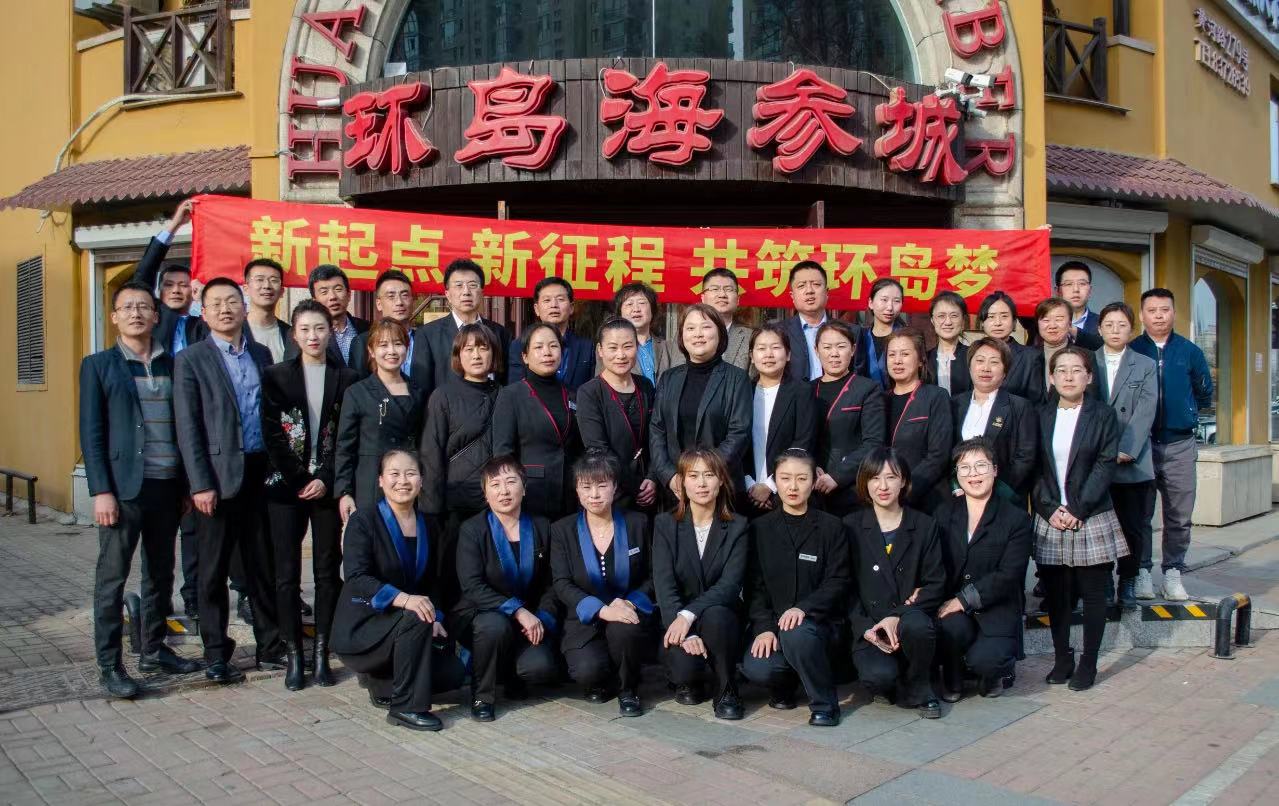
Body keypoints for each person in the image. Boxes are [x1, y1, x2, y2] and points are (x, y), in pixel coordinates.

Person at [81, 281, 202, 698]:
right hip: (122, 490)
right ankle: (110, 665)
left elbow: (185, 426)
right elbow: (92, 433)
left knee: (160, 573)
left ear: (155, 315)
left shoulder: (174, 364)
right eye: (127, 307)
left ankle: (153, 649)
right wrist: (101, 490)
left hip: (166, 486)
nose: (136, 313)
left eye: (143, 307)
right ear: (114, 316)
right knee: (112, 578)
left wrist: (185, 485)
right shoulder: (99, 366)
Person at [174, 277, 283, 683]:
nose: (225, 309)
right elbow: (188, 427)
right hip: (217, 480)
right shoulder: (191, 359)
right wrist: (200, 483)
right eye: (216, 303)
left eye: (232, 301)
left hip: (258, 472)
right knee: (213, 569)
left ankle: (270, 647)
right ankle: (216, 653)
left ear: (244, 307)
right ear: (204, 313)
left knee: (261, 565)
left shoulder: (260, 353)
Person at [331, 450, 465, 732]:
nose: (403, 481)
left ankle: (381, 682)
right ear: (380, 480)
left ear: (421, 481)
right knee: (416, 615)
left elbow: (432, 582)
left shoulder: (430, 525)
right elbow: (356, 577)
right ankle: (405, 707)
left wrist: (436, 617)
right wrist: (405, 600)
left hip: (406, 626)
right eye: (394, 474)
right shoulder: (364, 520)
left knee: (453, 674)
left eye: (410, 473)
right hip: (364, 627)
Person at [261, 300, 358, 690]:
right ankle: (293, 656)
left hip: (327, 488)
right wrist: (301, 477)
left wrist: (325, 478)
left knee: (326, 572)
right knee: (286, 574)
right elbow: (272, 433)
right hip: (286, 487)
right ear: (294, 334)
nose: (313, 336)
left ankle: (322, 654)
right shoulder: (276, 376)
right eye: (305, 329)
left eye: (320, 328)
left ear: (330, 332)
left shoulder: (346, 378)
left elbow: (347, 435)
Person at [1033, 346, 1127, 692]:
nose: (1069, 377)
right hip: (1051, 516)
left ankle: (1089, 662)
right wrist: (1048, 508)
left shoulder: (1102, 415)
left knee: (1093, 594)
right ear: (1052, 377)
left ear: (1089, 377)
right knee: (1057, 595)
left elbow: (1105, 464)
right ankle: (1062, 658)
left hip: (1090, 515)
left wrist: (1077, 509)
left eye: (1076, 370)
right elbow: (1033, 467)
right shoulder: (1040, 415)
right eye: (1061, 370)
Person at [131, 199, 205, 621]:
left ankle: (193, 597)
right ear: (158, 293)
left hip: (192, 443)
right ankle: (155, 610)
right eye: (170, 284)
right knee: (159, 535)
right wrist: (173, 226)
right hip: (157, 444)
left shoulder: (200, 326)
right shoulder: (152, 326)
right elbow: (141, 275)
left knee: (194, 528)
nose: (178, 290)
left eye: (185, 285)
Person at [741, 449, 849, 726]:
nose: (793, 486)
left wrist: (804, 609)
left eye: (801, 479)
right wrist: (764, 628)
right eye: (785, 478)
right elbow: (754, 586)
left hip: (820, 626)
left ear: (814, 481)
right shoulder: (760, 529)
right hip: (776, 626)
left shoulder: (832, 527)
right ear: (775, 480)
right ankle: (785, 686)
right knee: (759, 667)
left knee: (797, 633)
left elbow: (838, 580)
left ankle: (825, 705)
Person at [453, 457, 561, 721]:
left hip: (530, 620)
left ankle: (512, 676)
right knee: (494, 626)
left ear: (524, 488)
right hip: (483, 616)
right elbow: (472, 586)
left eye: (511, 482)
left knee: (540, 667)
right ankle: (482, 695)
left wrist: (542, 618)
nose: (504, 491)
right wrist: (518, 611)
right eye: (495, 484)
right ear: (485, 493)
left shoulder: (542, 526)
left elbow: (552, 583)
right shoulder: (472, 530)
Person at [550, 452, 654, 716]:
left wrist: (629, 602)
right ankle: (603, 679)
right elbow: (561, 583)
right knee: (588, 671)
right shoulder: (562, 530)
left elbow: (653, 575)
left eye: (602, 485)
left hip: (627, 610)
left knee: (625, 631)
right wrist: (601, 609)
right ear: (576, 490)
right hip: (583, 619)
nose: (594, 494)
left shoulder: (637, 523)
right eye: (586, 487)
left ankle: (628, 690)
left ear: (615, 487)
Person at [845, 448, 946, 718]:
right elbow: (845, 587)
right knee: (878, 678)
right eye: (875, 478)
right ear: (864, 483)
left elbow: (936, 583)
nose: (883, 486)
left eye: (891, 477)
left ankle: (922, 687)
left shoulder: (924, 525)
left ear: (904, 482)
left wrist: (897, 615)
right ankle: (894, 679)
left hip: (911, 620)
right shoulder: (850, 527)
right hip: (871, 625)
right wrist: (865, 628)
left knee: (918, 626)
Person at [934, 438, 1033, 702]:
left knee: (987, 661)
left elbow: (1009, 574)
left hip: (996, 608)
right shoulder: (943, 514)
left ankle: (992, 674)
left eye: (980, 465)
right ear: (957, 474)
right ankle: (953, 676)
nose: (973, 474)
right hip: (954, 610)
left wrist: (963, 599)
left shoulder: (1016, 518)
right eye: (964, 467)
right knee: (948, 627)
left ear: (995, 470)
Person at [653, 449, 749, 719]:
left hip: (721, 619)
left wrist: (689, 614)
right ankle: (695, 678)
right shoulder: (665, 524)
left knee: (717, 614)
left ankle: (727, 689)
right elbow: (664, 585)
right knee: (685, 671)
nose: (702, 483)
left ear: (722, 480)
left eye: (709, 475)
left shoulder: (739, 526)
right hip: (679, 621)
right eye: (693, 476)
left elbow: (730, 585)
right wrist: (685, 627)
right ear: (682, 482)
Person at [1130, 288, 1213, 602]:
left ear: (1174, 313)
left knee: (1179, 514)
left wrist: (1186, 414)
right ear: (1142, 315)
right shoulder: (1134, 350)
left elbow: (1204, 392)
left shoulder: (1189, 351)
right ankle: (1141, 572)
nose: (1159, 316)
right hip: (1142, 445)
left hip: (1179, 444)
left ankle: (1173, 572)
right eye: (1152, 310)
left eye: (1164, 310)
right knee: (1141, 514)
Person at [419, 323, 504, 610]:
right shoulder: (443, 396)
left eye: (483, 348)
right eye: (468, 349)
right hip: (455, 501)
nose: (476, 355)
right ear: (458, 355)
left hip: (496, 500)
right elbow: (431, 452)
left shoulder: (505, 394)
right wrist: (432, 508)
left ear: (494, 354)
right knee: (450, 571)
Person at [649, 303, 752, 505]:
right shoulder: (669, 378)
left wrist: (703, 477)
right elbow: (657, 429)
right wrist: (669, 476)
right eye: (690, 328)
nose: (698, 334)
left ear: (720, 333)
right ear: (682, 336)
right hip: (675, 489)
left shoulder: (737, 378)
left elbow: (739, 433)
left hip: (719, 487)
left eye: (706, 327)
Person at [1096, 302, 1158, 608]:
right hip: (1095, 458)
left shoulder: (1144, 364)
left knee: (1132, 526)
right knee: (1100, 526)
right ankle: (1104, 580)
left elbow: (1146, 410)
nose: (1115, 330)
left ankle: (1128, 580)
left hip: (1130, 460)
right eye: (1109, 324)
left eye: (1122, 325)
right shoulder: (1087, 361)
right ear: (1099, 329)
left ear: (1131, 330)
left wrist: (1126, 449)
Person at [336, 319, 429, 521]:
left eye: (398, 344)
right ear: (371, 350)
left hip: (408, 483)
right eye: (383, 345)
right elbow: (345, 447)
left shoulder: (419, 392)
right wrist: (344, 492)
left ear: (407, 348)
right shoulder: (357, 392)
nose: (391, 351)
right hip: (371, 482)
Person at [494, 322, 583, 520]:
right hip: (530, 495)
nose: (547, 352)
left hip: (570, 495)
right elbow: (503, 453)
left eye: (553, 346)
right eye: (538, 347)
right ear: (525, 356)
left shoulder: (574, 394)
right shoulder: (511, 395)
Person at [576, 318, 657, 511]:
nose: (621, 355)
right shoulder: (589, 392)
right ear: (600, 350)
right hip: (610, 491)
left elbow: (657, 435)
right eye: (613, 348)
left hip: (650, 489)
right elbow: (597, 447)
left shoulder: (645, 386)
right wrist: (635, 486)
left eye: (628, 346)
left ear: (637, 347)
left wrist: (653, 477)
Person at [809, 320, 885, 517]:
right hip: (811, 487)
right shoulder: (806, 389)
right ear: (816, 351)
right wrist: (810, 466)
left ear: (852, 350)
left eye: (841, 346)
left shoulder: (867, 389)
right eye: (827, 347)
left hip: (852, 488)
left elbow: (873, 442)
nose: (834, 353)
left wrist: (837, 476)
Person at [742, 323, 817, 518]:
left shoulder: (802, 392)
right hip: (744, 492)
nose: (768, 354)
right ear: (751, 356)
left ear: (788, 354)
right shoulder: (742, 391)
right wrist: (750, 485)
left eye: (776, 347)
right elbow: (734, 439)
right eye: (761, 348)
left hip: (785, 493)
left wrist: (770, 485)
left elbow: (803, 441)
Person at [950, 337, 1037, 500]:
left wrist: (996, 491)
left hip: (1003, 497)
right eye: (980, 361)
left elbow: (1025, 457)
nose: (986, 368)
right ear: (970, 367)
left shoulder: (1019, 406)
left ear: (1005, 371)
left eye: (994, 362)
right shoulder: (955, 404)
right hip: (960, 497)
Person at [416, 258, 510, 400]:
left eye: (472, 285)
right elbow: (422, 388)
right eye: (458, 285)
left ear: (482, 292)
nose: (466, 292)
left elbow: (507, 383)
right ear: (447, 294)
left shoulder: (500, 333)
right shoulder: (428, 334)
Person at [884, 328, 954, 512]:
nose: (897, 360)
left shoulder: (936, 396)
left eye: (905, 354)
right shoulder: (879, 400)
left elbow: (938, 455)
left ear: (921, 360)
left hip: (926, 497)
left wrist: (906, 489)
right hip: (885, 497)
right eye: (892, 355)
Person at [509, 277, 595, 391]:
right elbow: (516, 390)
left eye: (560, 299)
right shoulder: (519, 345)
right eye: (547, 300)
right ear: (536, 309)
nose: (554, 305)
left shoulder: (587, 347)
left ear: (571, 308)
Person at [349, 270, 429, 379]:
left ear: (413, 301)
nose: (399, 302)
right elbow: (357, 383)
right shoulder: (362, 342)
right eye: (391, 296)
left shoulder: (426, 339)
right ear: (379, 304)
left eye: (405, 295)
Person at [607, 281, 679, 383]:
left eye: (642, 303)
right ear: (620, 313)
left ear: (652, 310)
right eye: (629, 304)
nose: (636, 309)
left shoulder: (670, 348)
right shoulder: (609, 349)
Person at [783, 260, 840, 383]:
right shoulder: (779, 332)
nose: (809, 290)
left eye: (816, 284)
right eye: (801, 286)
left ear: (826, 292)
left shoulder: (851, 332)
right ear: (792, 296)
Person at [979, 290, 1038, 403]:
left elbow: (1036, 400)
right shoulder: (972, 354)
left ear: (1014, 322)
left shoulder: (1031, 356)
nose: (998, 323)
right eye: (991, 317)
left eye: (1004, 316)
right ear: (982, 322)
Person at [308, 264, 370, 366]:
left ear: (349, 295)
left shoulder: (367, 328)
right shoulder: (306, 333)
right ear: (315, 301)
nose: (332, 296)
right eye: (324, 292)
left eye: (338, 289)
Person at [854, 278, 904, 389]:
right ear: (871, 303)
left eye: (896, 301)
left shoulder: (908, 338)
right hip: (865, 397)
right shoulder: (860, 336)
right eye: (884, 300)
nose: (890, 307)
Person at [699, 267, 752, 370]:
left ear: (738, 299)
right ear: (703, 298)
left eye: (728, 289)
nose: (722, 295)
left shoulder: (750, 337)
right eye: (715, 289)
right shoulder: (687, 335)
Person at [242, 258, 290, 364]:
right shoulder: (233, 332)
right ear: (246, 289)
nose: (267, 286)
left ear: (282, 291)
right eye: (260, 279)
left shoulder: (291, 335)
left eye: (274, 280)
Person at [927, 291, 971, 396]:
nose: (948, 322)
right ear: (932, 320)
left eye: (954, 316)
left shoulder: (973, 356)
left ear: (963, 320)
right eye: (941, 316)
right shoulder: (924, 359)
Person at [1055, 260, 1103, 344]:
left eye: (1082, 283)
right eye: (1068, 284)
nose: (1076, 289)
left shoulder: (1103, 323)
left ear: (1090, 290)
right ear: (1058, 291)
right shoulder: (1046, 324)